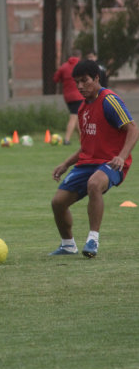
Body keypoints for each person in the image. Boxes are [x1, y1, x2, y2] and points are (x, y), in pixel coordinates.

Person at [50, 60, 139, 258]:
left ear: (96, 78)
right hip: (86, 163)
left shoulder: (109, 100)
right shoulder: (83, 108)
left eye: (85, 81)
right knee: (58, 203)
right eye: (77, 82)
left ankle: (93, 239)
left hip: (111, 163)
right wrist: (65, 164)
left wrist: (122, 156)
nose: (80, 86)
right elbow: (87, 144)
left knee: (94, 184)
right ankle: (67, 245)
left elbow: (133, 129)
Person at [53, 49, 83, 145]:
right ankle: (66, 139)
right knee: (74, 117)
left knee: (77, 118)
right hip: (79, 95)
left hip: (68, 96)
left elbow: (55, 79)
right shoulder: (81, 66)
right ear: (79, 56)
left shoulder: (64, 67)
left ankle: (82, 139)